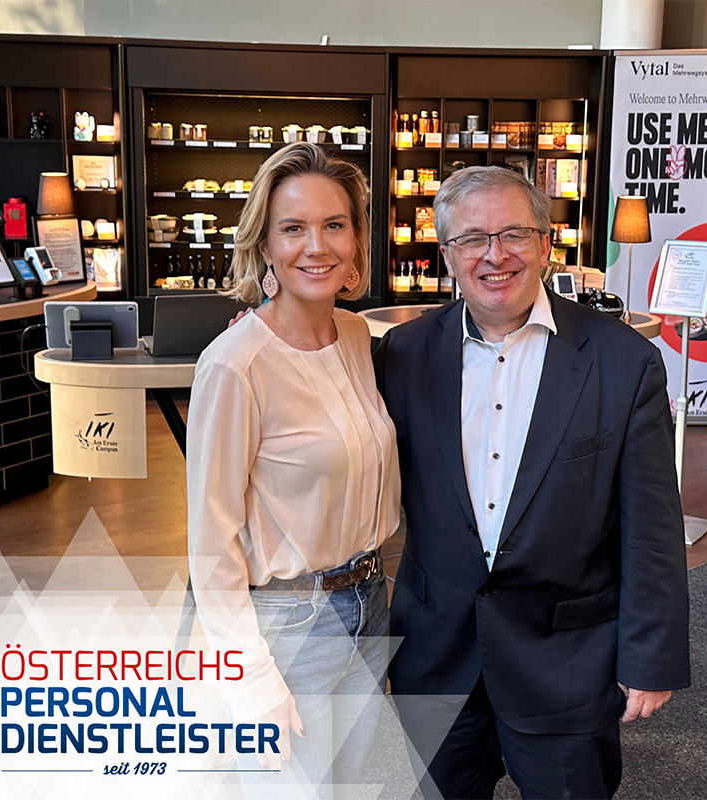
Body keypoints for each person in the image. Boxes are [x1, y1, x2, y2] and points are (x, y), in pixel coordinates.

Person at [374, 166, 690, 800]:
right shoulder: (401, 355)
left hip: (566, 661)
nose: (495, 255)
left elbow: (652, 527)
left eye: (514, 234)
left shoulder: (624, 361)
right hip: (437, 659)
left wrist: (651, 656)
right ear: (447, 255)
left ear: (547, 244)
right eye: (472, 238)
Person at [186, 142, 400, 796]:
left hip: (368, 604)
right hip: (287, 625)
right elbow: (210, 542)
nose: (317, 246)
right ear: (265, 245)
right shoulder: (235, 364)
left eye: (334, 225)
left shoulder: (357, 336)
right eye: (293, 228)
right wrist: (249, 677)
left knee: (354, 785)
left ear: (356, 241)